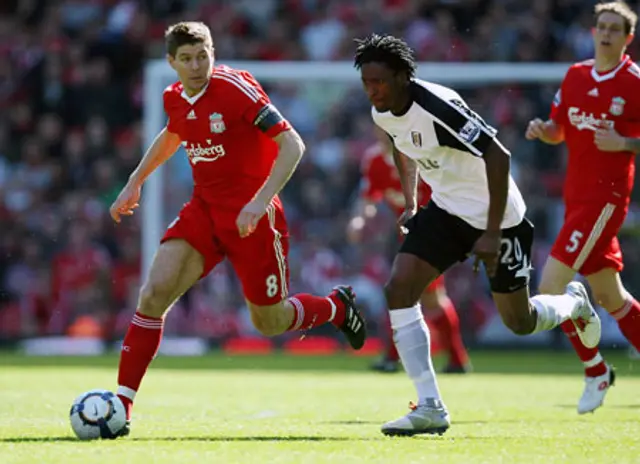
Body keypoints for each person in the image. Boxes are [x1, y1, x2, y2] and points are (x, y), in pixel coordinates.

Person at [108, 21, 367, 436]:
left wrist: (259, 201)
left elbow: (293, 145)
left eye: (203, 55)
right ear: (171, 62)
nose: (197, 66)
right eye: (187, 59)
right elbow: (175, 132)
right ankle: (120, 405)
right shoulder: (174, 96)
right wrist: (135, 180)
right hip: (205, 212)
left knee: (269, 322)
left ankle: (336, 307)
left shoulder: (235, 88)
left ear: (213, 51)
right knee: (153, 293)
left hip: (253, 218)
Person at [353, 33, 601, 437]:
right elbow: (403, 147)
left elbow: (497, 155)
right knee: (398, 289)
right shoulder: (382, 112)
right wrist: (414, 205)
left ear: (401, 77)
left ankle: (572, 303)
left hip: (500, 219)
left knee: (519, 321)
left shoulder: (437, 106)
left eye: (379, 81)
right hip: (448, 211)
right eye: (366, 82)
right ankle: (430, 405)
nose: (372, 90)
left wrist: (490, 234)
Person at [525, 1, 640, 415]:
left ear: (628, 39)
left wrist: (626, 143)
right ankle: (598, 372)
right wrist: (545, 130)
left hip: (606, 200)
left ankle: (594, 370)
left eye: (615, 28)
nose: (606, 33)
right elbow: (561, 129)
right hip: (577, 198)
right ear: (593, 32)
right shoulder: (575, 76)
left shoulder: (633, 81)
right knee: (612, 297)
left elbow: (628, 140)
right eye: (601, 26)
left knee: (549, 289)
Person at [348, 128, 471, 374]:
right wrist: (360, 219)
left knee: (403, 290)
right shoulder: (374, 160)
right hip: (407, 236)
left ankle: (394, 358)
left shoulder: (421, 157)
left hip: (434, 233)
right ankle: (456, 361)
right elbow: (368, 198)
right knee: (426, 298)